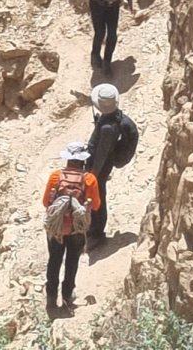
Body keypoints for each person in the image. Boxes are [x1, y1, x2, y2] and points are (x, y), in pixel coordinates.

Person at [42, 142, 101, 311]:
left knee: (54, 261)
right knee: (72, 261)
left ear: (68, 159)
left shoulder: (55, 177)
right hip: (77, 228)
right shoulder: (89, 179)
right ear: (82, 160)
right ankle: (67, 297)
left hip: (56, 228)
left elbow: (46, 202)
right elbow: (95, 205)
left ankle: (51, 300)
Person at [86, 84, 139, 245]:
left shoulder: (108, 127)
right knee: (97, 196)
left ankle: (97, 233)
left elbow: (102, 153)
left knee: (98, 197)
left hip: (99, 167)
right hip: (102, 164)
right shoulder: (113, 117)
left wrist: (93, 173)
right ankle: (94, 229)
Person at [71, 0, 136, 69]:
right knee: (100, 32)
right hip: (98, 4)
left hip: (113, 5)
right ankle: (95, 55)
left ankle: (107, 62)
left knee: (112, 35)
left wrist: (131, 5)